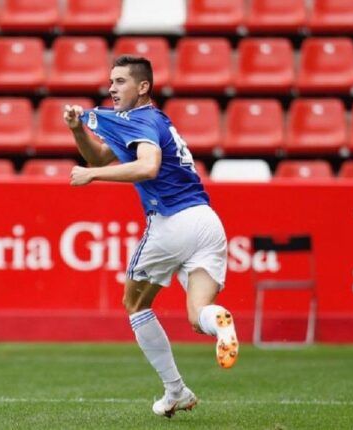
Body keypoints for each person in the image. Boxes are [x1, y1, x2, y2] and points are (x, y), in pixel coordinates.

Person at [63, 55, 238, 418]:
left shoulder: (140, 120)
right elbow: (99, 157)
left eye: (121, 81)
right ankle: (219, 320)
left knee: (136, 305)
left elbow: (147, 166)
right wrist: (78, 130)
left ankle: (174, 389)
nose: (112, 88)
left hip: (172, 221)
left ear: (143, 87)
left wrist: (91, 178)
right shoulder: (152, 120)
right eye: (110, 81)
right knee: (198, 314)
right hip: (207, 222)